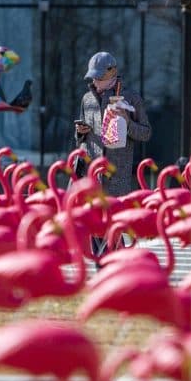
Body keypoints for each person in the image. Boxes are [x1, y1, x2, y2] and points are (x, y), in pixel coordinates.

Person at [73, 51, 151, 258]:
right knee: (95, 225)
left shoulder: (131, 98)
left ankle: (118, 264)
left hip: (117, 175)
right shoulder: (87, 99)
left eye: (99, 78)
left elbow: (145, 132)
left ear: (112, 73)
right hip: (92, 174)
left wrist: (127, 121)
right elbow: (81, 137)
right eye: (93, 78)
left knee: (115, 224)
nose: (96, 82)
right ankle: (102, 267)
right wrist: (80, 133)